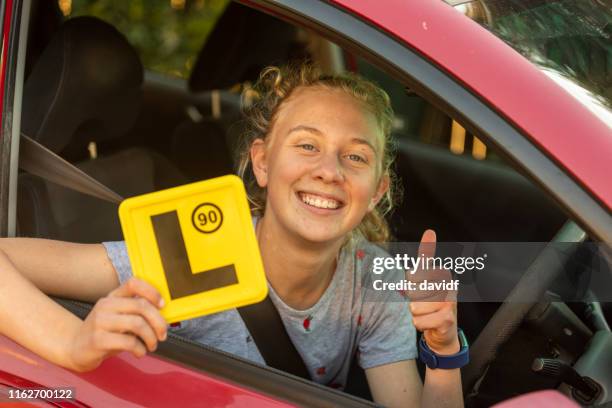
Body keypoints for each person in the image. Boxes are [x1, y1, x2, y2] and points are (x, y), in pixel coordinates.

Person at [0, 64, 462, 407]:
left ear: (378, 189)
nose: (328, 171)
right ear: (262, 163)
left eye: (356, 157)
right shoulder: (192, 250)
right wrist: (72, 345)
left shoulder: (372, 284)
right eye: (306, 145)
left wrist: (442, 350)